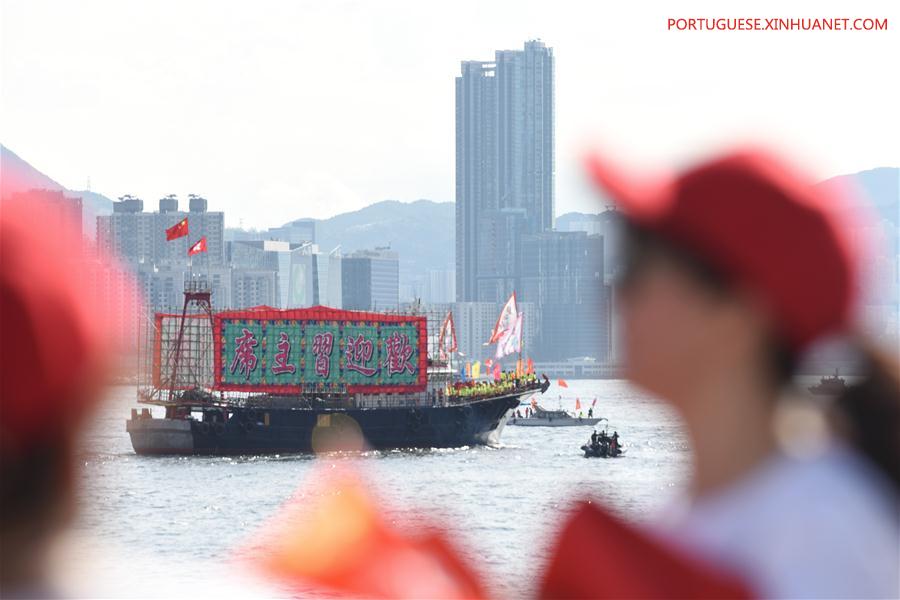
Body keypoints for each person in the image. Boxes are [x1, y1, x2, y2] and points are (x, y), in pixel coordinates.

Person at [541, 147, 899, 598]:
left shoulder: (821, 532)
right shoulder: (692, 522)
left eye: (636, 267)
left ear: (739, 314)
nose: (613, 295)